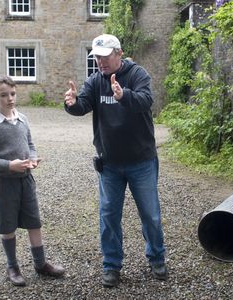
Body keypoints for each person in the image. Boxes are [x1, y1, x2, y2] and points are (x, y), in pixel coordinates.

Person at [64, 34, 167, 288]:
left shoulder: (138, 74)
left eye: (105, 56)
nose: (100, 62)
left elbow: (146, 101)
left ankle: (157, 258)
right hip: (109, 163)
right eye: (97, 57)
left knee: (151, 214)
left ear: (119, 53)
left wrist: (123, 95)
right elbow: (83, 105)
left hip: (141, 161)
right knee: (108, 215)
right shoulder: (95, 81)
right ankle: (111, 265)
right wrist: (72, 103)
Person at [0, 75, 65, 286]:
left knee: (34, 222)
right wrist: (9, 165)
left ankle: (41, 263)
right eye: (4, 95)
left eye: (13, 94)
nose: (10, 99)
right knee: (7, 226)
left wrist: (32, 158)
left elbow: (30, 144)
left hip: (26, 181)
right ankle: (12, 267)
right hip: (3, 185)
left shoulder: (23, 119)